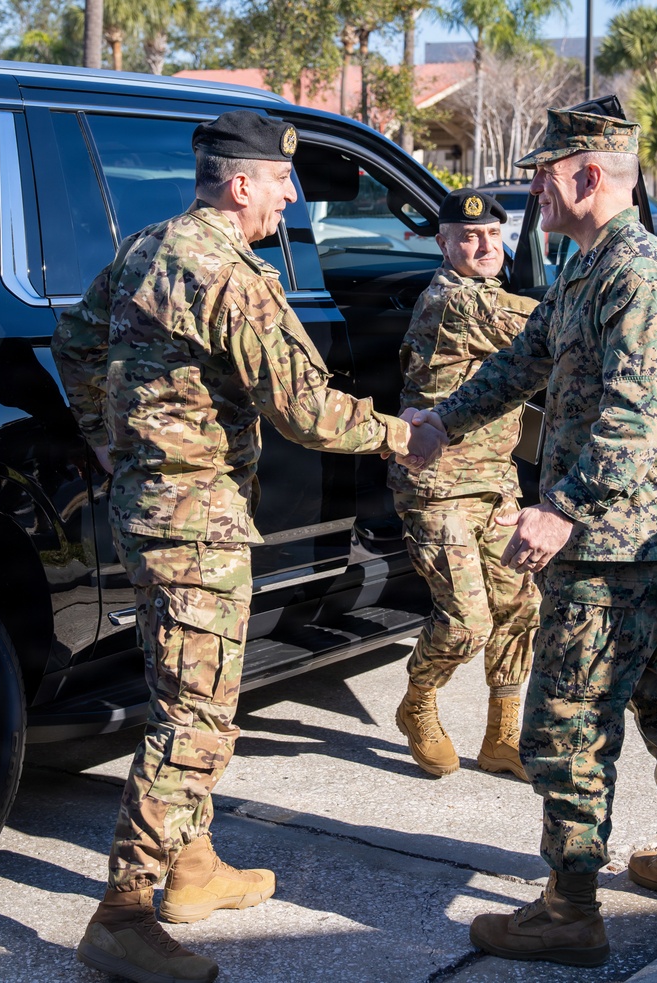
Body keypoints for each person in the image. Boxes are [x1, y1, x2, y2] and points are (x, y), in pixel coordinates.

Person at [51, 110, 446, 983]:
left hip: (145, 510)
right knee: (198, 720)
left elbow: (74, 341)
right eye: (278, 181)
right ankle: (121, 912)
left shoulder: (150, 246)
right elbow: (306, 410)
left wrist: (109, 436)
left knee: (174, 684)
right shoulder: (232, 274)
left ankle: (191, 870)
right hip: (198, 526)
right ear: (240, 185)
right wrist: (401, 435)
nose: (289, 195)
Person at [407, 109, 657, 966]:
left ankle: (570, 905)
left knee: (569, 715)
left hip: (617, 539)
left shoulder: (640, 273)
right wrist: (443, 421)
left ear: (587, 176)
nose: (532, 191)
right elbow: (526, 358)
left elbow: (638, 413)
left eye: (542, 174)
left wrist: (562, 507)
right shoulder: (587, 266)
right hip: (638, 530)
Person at [389, 188, 540, 781]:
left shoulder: (487, 293)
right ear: (443, 243)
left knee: (519, 605)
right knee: (466, 620)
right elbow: (540, 328)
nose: (484, 246)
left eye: (494, 236)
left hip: (494, 481)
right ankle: (418, 704)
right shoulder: (453, 303)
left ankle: (501, 736)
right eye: (469, 236)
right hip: (438, 486)